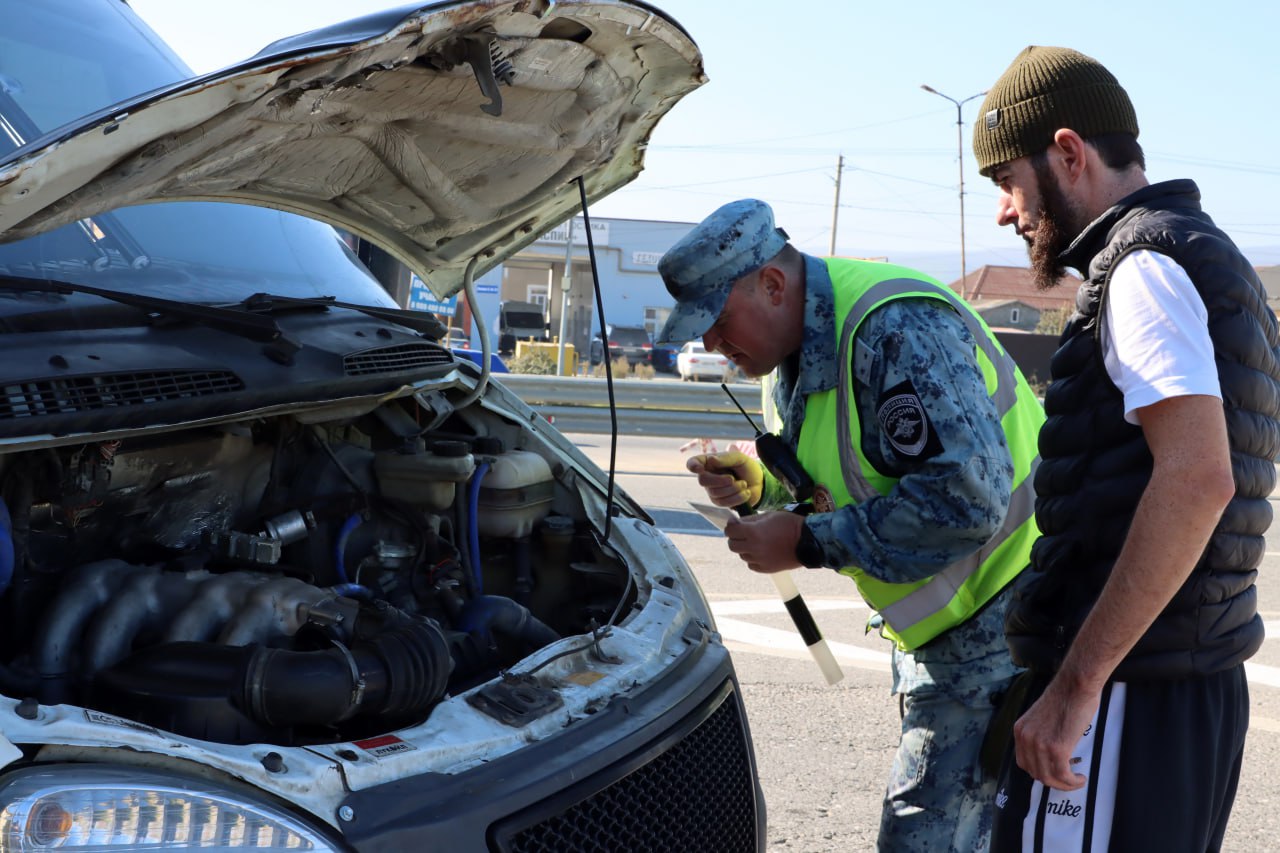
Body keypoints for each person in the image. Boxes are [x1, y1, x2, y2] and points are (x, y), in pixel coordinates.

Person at [657, 198, 1046, 851]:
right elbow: (854, 474)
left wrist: (807, 542)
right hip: (953, 631)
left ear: (773, 285)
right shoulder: (790, 353)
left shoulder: (893, 329)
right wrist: (766, 488)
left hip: (999, 624)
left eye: (718, 322)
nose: (710, 346)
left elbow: (967, 499)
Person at [971, 46, 1280, 851]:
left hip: (1127, 696)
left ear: (1068, 153)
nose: (1006, 212)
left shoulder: (1141, 267)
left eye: (1007, 180)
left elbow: (1198, 479)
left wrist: (1075, 688)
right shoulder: (1209, 257)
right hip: (1178, 682)